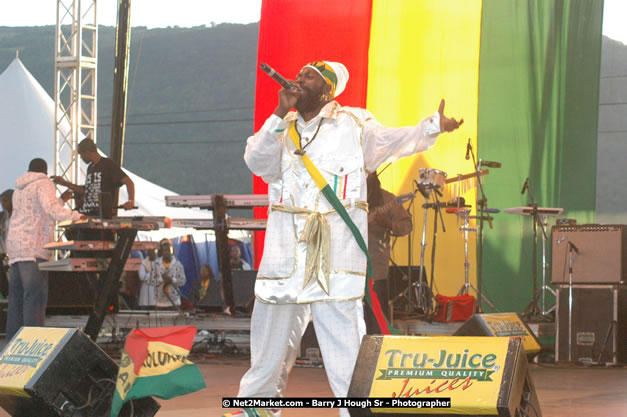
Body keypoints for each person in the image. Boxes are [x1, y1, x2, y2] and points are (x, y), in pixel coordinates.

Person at [230, 60, 462, 417]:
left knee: (347, 359)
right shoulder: (282, 127)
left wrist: (432, 126)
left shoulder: (354, 124)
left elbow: (395, 140)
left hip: (334, 260)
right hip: (285, 260)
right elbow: (256, 162)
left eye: (309, 75)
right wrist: (278, 112)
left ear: (328, 89)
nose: (299, 78)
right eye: (299, 73)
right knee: (266, 357)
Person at [5, 158, 81, 339]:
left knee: (16, 300)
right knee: (34, 298)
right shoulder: (44, 183)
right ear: (45, 172)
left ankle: (13, 344)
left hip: (15, 249)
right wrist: (78, 216)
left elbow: (37, 211)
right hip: (34, 248)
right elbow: (51, 209)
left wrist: (60, 201)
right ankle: (33, 341)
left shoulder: (19, 188)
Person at [365, 172, 412, 334]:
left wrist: (389, 224)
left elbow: (406, 226)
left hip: (375, 267)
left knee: (377, 318)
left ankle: (379, 345)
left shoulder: (387, 199)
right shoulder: (347, 197)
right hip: (348, 266)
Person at [52, 138, 135, 219]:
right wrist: (65, 183)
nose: (81, 158)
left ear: (87, 152)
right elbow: (86, 191)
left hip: (103, 215)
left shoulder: (108, 164)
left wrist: (131, 201)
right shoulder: (90, 168)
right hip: (89, 214)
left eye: (81, 154)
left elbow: (129, 182)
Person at [153, 239, 186, 309]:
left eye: (168, 250)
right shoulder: (156, 264)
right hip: (160, 302)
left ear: (171, 251)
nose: (167, 252)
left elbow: (183, 281)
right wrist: (161, 279)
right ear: (161, 252)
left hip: (174, 301)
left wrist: (172, 280)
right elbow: (151, 281)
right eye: (164, 250)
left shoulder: (178, 264)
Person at [0, 189, 14, 298]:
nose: (3, 204)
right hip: (3, 253)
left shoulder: (20, 216)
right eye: (1, 202)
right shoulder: (1, 216)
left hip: (17, 253)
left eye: (5, 201)